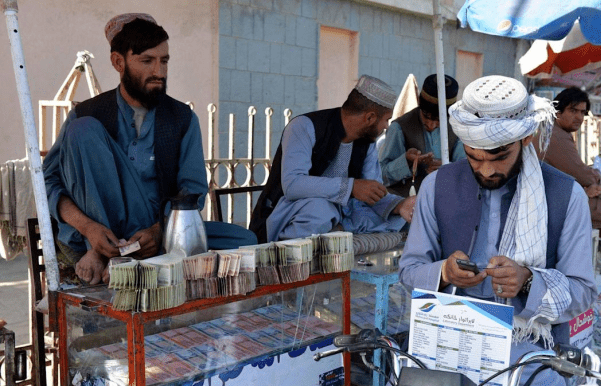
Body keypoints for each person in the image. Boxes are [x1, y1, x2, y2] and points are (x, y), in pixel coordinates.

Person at [399, 75, 597, 386]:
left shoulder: (567, 194)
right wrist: (445, 274)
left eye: (500, 157)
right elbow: (409, 272)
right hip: (447, 341)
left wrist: (529, 280)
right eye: (474, 158)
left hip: (529, 351)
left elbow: (582, 293)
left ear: (526, 138)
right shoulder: (437, 186)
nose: (488, 170)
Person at [43, 14, 256, 285]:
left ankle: (129, 258)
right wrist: (89, 228)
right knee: (84, 129)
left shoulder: (182, 118)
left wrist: (158, 231)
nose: (160, 72)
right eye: (147, 61)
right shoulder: (87, 115)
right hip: (101, 231)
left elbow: (192, 191)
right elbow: (49, 182)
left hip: (160, 231)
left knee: (246, 242)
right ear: (118, 62)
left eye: (164, 61)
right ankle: (103, 252)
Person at [250, 75, 416, 243]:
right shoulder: (303, 126)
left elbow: (372, 192)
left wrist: (400, 206)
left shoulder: (367, 142)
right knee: (321, 210)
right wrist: (350, 187)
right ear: (370, 118)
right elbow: (292, 185)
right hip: (290, 213)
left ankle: (336, 231)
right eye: (386, 120)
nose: (387, 126)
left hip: (341, 213)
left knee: (399, 219)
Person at [534, 87, 601, 233]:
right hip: (543, 199)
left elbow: (573, 171)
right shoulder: (554, 134)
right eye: (573, 111)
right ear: (557, 112)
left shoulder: (553, 129)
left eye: (582, 112)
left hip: (548, 191)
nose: (579, 117)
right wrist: (594, 180)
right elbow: (581, 174)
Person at [379, 74, 465, 197]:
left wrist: (447, 169)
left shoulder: (457, 128)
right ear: (419, 103)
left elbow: (467, 170)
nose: (431, 124)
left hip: (445, 201)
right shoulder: (399, 128)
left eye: (438, 120)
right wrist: (407, 162)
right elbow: (381, 175)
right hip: (407, 205)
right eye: (426, 117)